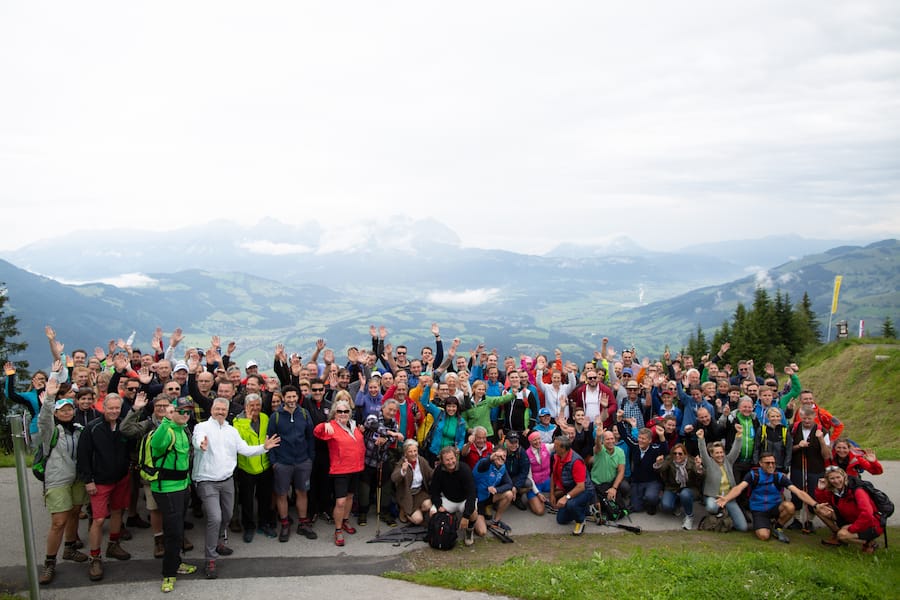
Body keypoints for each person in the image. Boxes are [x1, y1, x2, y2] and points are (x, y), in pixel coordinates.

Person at [192, 398, 279, 579]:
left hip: (227, 480)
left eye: (223, 409)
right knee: (215, 518)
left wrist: (264, 447)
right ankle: (210, 559)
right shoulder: (202, 427)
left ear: (227, 411)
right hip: (207, 481)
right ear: (211, 409)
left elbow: (245, 449)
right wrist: (200, 444)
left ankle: (219, 542)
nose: (220, 412)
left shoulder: (231, 431)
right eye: (217, 409)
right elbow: (197, 440)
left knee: (227, 515)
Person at [36, 377, 88, 584]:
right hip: (57, 479)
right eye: (62, 410)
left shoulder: (79, 429)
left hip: (77, 479)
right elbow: (43, 420)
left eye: (69, 409)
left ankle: (70, 547)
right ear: (56, 413)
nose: (66, 412)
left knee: (75, 512)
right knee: (58, 522)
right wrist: (49, 398)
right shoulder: (51, 431)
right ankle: (49, 563)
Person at [76, 393, 132, 581]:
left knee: (117, 512)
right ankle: (95, 557)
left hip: (121, 478)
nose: (114, 411)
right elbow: (83, 455)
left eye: (117, 408)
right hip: (99, 480)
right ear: (104, 407)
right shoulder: (92, 428)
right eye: (111, 408)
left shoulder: (123, 425)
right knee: (99, 519)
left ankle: (113, 545)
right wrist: (88, 480)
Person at [716, 452, 820, 543]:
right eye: (767, 463)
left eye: (773, 463)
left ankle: (777, 527)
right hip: (758, 509)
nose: (771, 465)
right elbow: (739, 488)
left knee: (789, 506)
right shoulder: (753, 475)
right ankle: (766, 524)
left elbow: (798, 492)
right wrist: (726, 498)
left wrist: (815, 505)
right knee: (764, 536)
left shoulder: (779, 476)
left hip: (775, 507)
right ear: (760, 463)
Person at [150, 396, 198, 593]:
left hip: (182, 486)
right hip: (167, 489)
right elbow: (156, 445)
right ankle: (169, 573)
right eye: (181, 411)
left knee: (178, 529)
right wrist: (166, 420)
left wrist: (187, 484)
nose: (185, 415)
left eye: (188, 411)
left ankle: (176, 562)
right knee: (173, 532)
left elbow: (184, 460)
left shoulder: (182, 430)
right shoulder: (168, 430)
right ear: (173, 412)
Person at [313, 396, 366, 547]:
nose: (343, 414)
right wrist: (324, 424)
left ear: (350, 413)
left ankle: (345, 520)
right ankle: (337, 529)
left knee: (350, 497)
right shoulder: (331, 426)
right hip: (340, 470)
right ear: (334, 413)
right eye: (339, 411)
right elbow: (316, 432)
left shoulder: (354, 425)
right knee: (340, 501)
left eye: (346, 411)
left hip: (356, 468)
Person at [267, 385, 317, 542]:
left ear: (298, 397)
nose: (291, 400)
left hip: (303, 461)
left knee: (302, 492)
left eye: (294, 396)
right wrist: (274, 462)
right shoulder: (275, 416)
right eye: (288, 397)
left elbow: (310, 437)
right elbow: (270, 439)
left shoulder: (304, 413)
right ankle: (285, 524)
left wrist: (310, 458)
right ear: (283, 398)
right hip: (283, 462)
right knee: (282, 494)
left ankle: (303, 523)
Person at [233, 393, 278, 542]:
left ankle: (263, 524)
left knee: (265, 498)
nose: (255, 408)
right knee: (247, 500)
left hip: (264, 465)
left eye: (258, 405)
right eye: (251, 405)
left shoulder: (265, 417)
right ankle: (249, 527)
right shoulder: (238, 422)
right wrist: (247, 421)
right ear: (245, 406)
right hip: (246, 467)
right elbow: (241, 439)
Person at [814, 466, 883, 553]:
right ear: (828, 480)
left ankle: (869, 543)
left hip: (870, 523)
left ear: (844, 476)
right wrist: (820, 490)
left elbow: (867, 514)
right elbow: (824, 504)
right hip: (849, 518)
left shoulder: (857, 490)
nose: (836, 481)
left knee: (842, 535)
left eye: (838, 477)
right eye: (832, 478)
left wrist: (851, 529)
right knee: (819, 509)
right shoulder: (834, 490)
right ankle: (838, 534)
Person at [358, 397, 404, 527]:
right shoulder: (373, 416)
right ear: (383, 408)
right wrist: (389, 434)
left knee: (385, 486)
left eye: (394, 411)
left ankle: (384, 512)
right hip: (367, 459)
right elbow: (373, 425)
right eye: (390, 409)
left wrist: (386, 439)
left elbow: (392, 439)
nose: (392, 412)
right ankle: (362, 512)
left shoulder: (394, 423)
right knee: (365, 487)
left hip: (382, 459)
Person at [696, 427, 748, 532]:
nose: (720, 455)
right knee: (711, 507)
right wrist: (701, 439)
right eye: (717, 453)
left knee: (743, 528)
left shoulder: (728, 461)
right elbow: (703, 452)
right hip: (713, 497)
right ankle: (717, 515)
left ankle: (726, 516)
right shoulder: (709, 463)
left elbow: (736, 450)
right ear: (712, 454)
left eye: (721, 452)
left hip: (728, 498)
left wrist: (739, 434)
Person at [789, 405, 831, 533]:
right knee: (796, 493)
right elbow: (787, 450)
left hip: (816, 468)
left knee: (814, 494)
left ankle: (810, 521)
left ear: (814, 417)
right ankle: (796, 520)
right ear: (800, 417)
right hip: (797, 467)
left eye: (809, 418)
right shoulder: (793, 428)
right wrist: (798, 446)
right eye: (804, 418)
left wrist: (821, 440)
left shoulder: (823, 431)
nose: (807, 421)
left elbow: (826, 455)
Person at [429, 446, 478, 546]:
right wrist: (438, 505)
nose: (450, 462)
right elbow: (434, 491)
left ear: (456, 457)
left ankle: (469, 531)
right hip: (449, 499)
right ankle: (437, 533)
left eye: (452, 458)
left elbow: (472, 493)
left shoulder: (465, 469)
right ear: (442, 461)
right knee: (432, 512)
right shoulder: (439, 470)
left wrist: (466, 516)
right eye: (447, 460)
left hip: (464, 500)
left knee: (473, 512)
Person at [549, 436, 594, 535]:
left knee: (571, 505)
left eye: (556, 445)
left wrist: (566, 497)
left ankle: (581, 521)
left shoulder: (576, 461)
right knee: (561, 519)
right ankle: (585, 509)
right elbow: (553, 474)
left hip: (584, 490)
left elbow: (581, 487)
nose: (553, 447)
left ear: (563, 449)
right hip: (570, 489)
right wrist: (552, 494)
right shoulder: (556, 456)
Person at [655, 443, 703, 530]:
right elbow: (661, 469)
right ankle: (677, 504)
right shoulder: (669, 460)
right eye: (675, 453)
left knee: (685, 494)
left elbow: (702, 475)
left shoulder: (692, 461)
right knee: (666, 506)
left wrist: (698, 467)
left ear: (685, 454)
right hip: (672, 488)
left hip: (690, 488)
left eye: (680, 454)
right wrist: (658, 463)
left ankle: (689, 516)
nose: (677, 456)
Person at [472, 446, 515, 538]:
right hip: (476, 500)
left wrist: (497, 490)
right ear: (493, 455)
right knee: (482, 532)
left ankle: (495, 521)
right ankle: (474, 518)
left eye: (504, 456)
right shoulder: (485, 464)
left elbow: (509, 484)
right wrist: (492, 457)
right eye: (498, 455)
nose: (501, 458)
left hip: (488, 497)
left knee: (509, 494)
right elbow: (484, 462)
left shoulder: (502, 467)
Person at [391, 439, 434, 525]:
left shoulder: (421, 460)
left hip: (419, 492)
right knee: (418, 520)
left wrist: (439, 470)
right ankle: (404, 509)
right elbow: (393, 478)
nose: (413, 454)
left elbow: (430, 473)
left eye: (415, 451)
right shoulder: (402, 463)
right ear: (405, 453)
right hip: (406, 494)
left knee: (428, 505)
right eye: (410, 452)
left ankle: (413, 510)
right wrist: (403, 471)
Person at [590, 430, 630, 519]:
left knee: (625, 486)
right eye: (607, 439)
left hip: (610, 483)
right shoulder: (599, 449)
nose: (610, 441)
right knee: (597, 505)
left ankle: (621, 500)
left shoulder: (620, 451)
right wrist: (598, 436)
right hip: (596, 483)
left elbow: (621, 471)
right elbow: (597, 445)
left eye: (612, 438)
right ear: (603, 441)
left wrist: (614, 488)